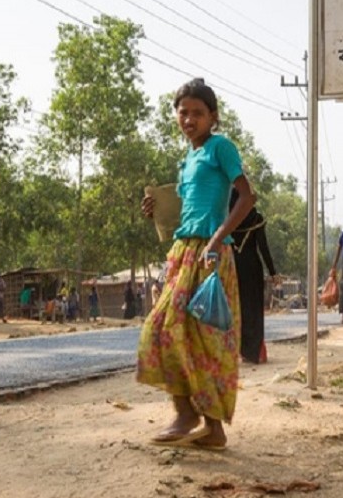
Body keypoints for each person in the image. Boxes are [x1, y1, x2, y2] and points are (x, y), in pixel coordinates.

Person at [137, 78, 255, 451]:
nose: (189, 119)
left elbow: (246, 196)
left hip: (211, 255)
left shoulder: (221, 147)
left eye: (198, 113)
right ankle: (193, 418)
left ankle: (207, 424)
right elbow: (186, 212)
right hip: (183, 252)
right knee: (164, 331)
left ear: (213, 117)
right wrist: (155, 212)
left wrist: (218, 240)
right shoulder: (186, 160)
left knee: (205, 340)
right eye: (183, 112)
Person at [228, 188, 279, 364]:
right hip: (252, 266)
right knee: (253, 309)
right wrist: (272, 272)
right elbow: (263, 247)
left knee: (235, 308)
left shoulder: (227, 217)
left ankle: (235, 351)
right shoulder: (255, 217)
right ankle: (253, 352)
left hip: (231, 266)